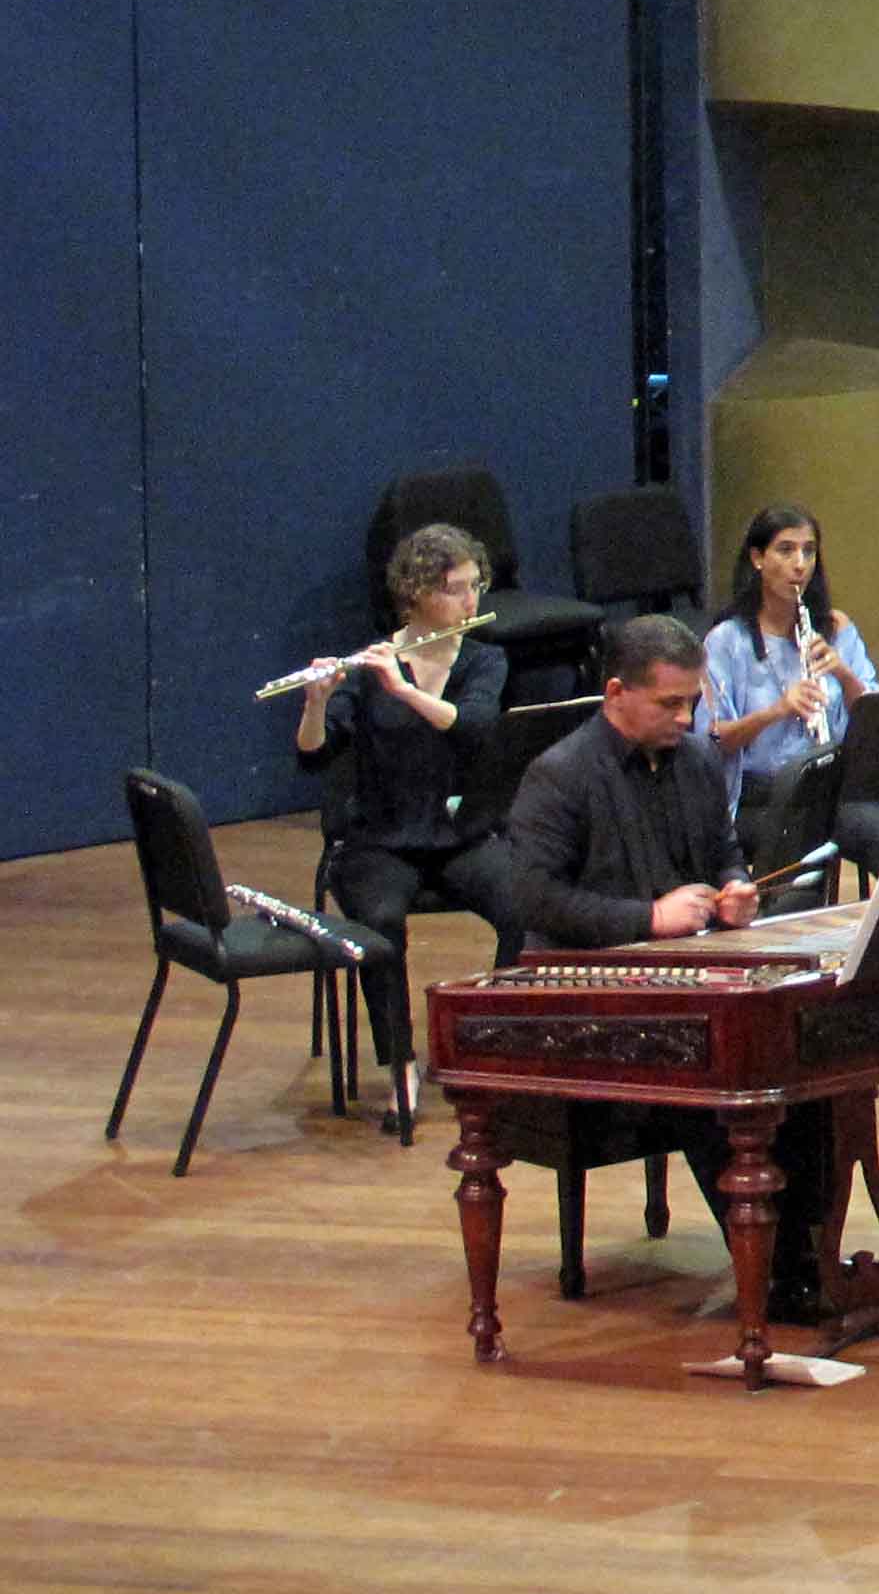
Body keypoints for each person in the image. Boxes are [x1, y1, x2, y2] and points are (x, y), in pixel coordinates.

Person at [503, 617, 837, 1321]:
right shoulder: (559, 775)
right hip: (590, 994)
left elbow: (723, 852)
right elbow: (533, 899)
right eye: (669, 704)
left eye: (692, 702)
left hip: (684, 976)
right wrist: (647, 919)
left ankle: (809, 1249)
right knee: (721, 1076)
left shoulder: (695, 762)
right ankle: (775, 1272)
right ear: (615, 693)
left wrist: (735, 888)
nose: (686, 719)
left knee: (798, 1063)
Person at [292, 519, 519, 1132]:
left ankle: (492, 1044)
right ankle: (401, 1063)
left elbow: (472, 726)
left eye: (475, 586)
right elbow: (314, 755)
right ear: (416, 594)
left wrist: (405, 689)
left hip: (459, 833)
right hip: (379, 839)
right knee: (381, 923)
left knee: (525, 905)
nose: (470, 602)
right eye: (455, 589)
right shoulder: (370, 666)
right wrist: (316, 703)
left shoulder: (484, 661)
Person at [698, 503, 879, 887]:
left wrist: (843, 674)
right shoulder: (727, 640)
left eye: (809, 552)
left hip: (830, 787)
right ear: (758, 558)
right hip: (760, 797)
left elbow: (877, 719)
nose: (800, 565)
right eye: (786, 550)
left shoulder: (835, 628)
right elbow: (711, 739)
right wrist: (777, 710)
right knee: (799, 865)